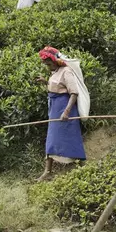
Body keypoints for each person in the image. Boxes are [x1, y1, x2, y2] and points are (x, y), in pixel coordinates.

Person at [36, 46, 86, 181]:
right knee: (51, 138)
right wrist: (45, 82)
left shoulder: (66, 71)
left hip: (65, 109)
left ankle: (82, 166)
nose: (47, 67)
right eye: (46, 65)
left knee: (71, 136)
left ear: (56, 61)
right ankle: (47, 172)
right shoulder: (55, 71)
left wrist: (67, 111)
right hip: (54, 110)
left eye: (49, 64)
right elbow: (57, 87)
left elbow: (73, 93)